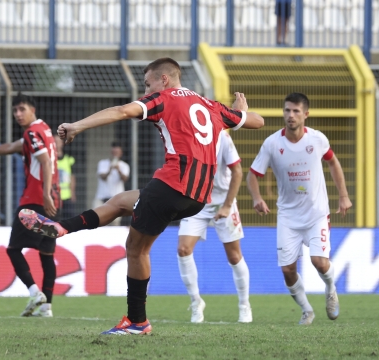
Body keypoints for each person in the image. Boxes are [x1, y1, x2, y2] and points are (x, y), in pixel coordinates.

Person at [18, 57, 264, 335]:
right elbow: (258, 121)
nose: (146, 91)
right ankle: (61, 227)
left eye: (148, 84)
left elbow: (122, 111)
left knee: (136, 249)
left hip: (172, 185)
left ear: (165, 80)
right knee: (121, 201)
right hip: (198, 197)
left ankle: (137, 322)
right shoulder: (210, 105)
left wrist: (77, 126)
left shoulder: (163, 98)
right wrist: (240, 113)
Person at [246, 92, 352, 325]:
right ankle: (307, 310)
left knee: (319, 262)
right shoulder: (272, 143)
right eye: (287, 110)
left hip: (316, 214)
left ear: (306, 114)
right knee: (287, 269)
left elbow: (333, 162)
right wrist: (257, 198)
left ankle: (331, 288)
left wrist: (343, 196)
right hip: (288, 216)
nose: (290, 115)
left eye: (295, 111)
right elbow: (252, 175)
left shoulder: (317, 140)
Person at [0, 93, 60, 318]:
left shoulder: (32, 133)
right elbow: (11, 147)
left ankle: (35, 292)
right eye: (15, 110)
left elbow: (44, 162)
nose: (17, 114)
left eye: (21, 109)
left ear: (32, 109)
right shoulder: (43, 129)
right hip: (54, 201)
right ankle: (46, 308)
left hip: (35, 201)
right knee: (46, 254)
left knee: (13, 250)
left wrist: (44, 194)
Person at [177, 130, 251, 323]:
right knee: (183, 249)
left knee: (234, 256)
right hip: (196, 201)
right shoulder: (186, 134)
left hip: (222, 201)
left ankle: (244, 306)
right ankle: (196, 303)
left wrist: (227, 206)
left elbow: (238, 172)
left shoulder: (222, 137)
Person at [94, 142, 130, 226]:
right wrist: (110, 169)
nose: (115, 154)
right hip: (101, 197)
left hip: (116, 199)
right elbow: (102, 177)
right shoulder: (102, 163)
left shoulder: (124, 166)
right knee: (97, 220)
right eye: (114, 152)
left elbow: (125, 179)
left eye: (117, 153)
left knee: (115, 223)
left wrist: (118, 170)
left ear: (121, 153)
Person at [54, 134, 77, 219]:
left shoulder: (69, 160)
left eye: (58, 142)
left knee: (69, 220)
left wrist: (72, 193)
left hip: (67, 196)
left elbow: (72, 177)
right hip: (54, 197)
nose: (56, 144)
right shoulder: (49, 160)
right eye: (54, 142)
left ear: (62, 143)